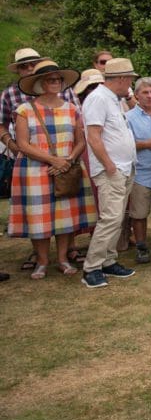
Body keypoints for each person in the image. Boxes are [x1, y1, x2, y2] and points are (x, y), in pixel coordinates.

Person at [8, 60, 95, 279]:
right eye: (50, 79)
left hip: (66, 168)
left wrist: (68, 160)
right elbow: (23, 144)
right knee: (38, 217)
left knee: (65, 216)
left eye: (58, 79)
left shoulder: (72, 109)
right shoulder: (24, 110)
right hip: (34, 170)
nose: (56, 82)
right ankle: (42, 261)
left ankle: (63, 259)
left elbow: (81, 141)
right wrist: (52, 160)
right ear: (40, 83)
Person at [82, 58, 141, 288]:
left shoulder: (113, 99)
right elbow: (93, 137)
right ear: (122, 79)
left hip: (123, 167)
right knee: (110, 218)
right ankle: (92, 267)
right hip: (112, 169)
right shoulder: (98, 98)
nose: (130, 85)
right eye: (130, 80)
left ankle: (108, 260)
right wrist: (109, 165)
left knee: (116, 218)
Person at [125, 77, 151, 264]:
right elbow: (125, 145)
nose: (150, 96)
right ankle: (141, 246)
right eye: (145, 92)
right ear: (136, 95)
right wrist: (148, 144)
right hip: (141, 172)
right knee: (139, 214)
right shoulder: (128, 118)